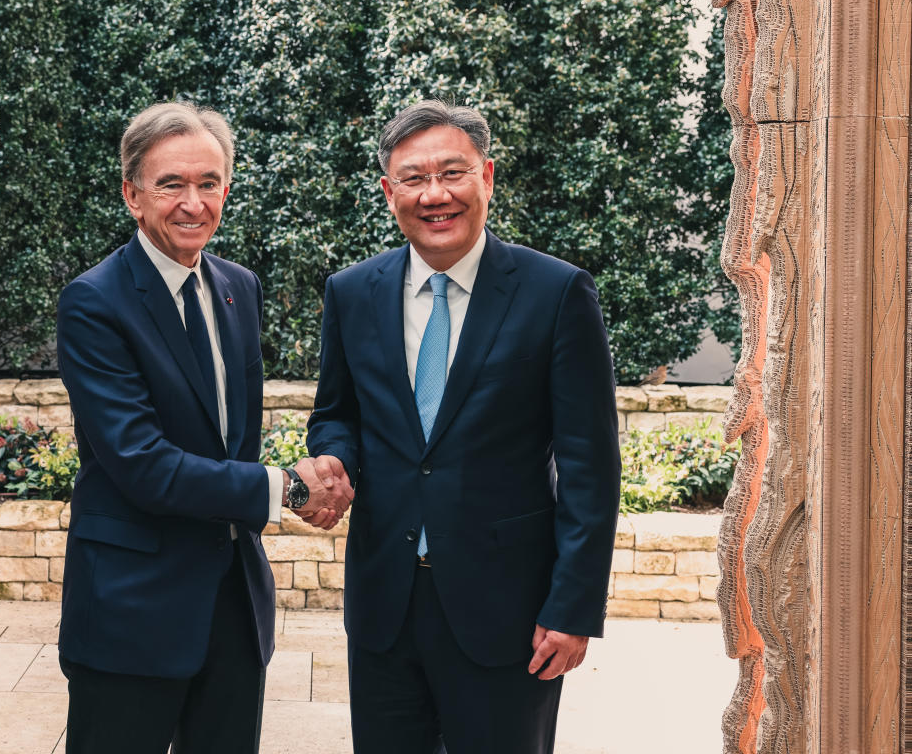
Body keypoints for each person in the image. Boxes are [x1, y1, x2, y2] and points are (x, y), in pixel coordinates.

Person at [304, 99, 621, 754]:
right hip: (384, 604)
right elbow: (337, 412)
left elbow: (590, 464)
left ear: (487, 177)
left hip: (508, 609)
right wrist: (331, 459)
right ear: (389, 192)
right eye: (413, 179)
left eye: (452, 173)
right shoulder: (351, 292)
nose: (434, 194)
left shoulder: (555, 293)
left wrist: (572, 608)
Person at [55, 101, 352, 754]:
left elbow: (224, 443)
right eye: (171, 185)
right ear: (132, 195)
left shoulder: (237, 288)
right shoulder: (93, 303)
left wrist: (316, 472)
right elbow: (142, 464)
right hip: (131, 611)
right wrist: (288, 488)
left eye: (209, 182)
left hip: (233, 609)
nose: (194, 202)